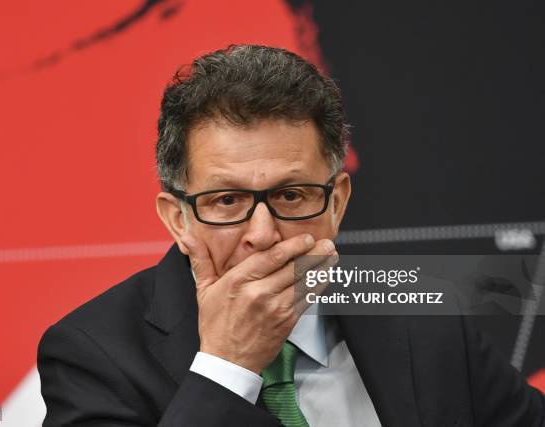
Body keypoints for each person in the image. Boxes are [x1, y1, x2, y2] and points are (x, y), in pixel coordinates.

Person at [37, 45, 545, 426]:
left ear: (338, 202)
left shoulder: (417, 311)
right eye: (227, 201)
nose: (263, 234)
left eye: (292, 195)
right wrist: (228, 365)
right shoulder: (93, 353)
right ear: (178, 219)